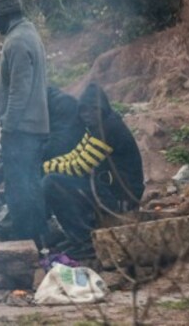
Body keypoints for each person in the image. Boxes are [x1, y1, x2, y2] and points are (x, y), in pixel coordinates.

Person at [42, 83, 145, 259]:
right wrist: (47, 165)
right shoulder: (97, 126)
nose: (87, 115)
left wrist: (43, 168)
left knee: (52, 184)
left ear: (102, 108)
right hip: (109, 189)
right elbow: (74, 156)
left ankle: (85, 242)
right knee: (56, 180)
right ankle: (77, 237)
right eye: (83, 111)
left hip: (122, 196)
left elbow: (79, 166)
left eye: (92, 110)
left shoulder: (108, 128)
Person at [0, 0, 49, 249]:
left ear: (4, 14)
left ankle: (26, 244)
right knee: (31, 188)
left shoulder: (16, 42)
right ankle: (39, 244)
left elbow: (18, 93)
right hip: (33, 128)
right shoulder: (29, 32)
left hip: (22, 130)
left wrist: (8, 127)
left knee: (20, 192)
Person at [0, 86, 85, 194]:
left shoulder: (64, 105)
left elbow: (59, 146)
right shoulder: (35, 105)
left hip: (70, 165)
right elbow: (15, 145)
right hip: (53, 157)